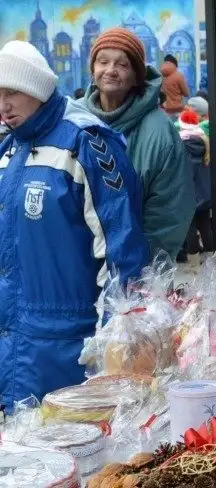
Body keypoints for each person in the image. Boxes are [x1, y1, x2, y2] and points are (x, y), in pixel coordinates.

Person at [0, 40, 149, 409]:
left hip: (70, 348)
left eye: (12, 93)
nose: (3, 105)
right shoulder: (9, 149)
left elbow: (122, 249)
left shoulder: (85, 142)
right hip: (15, 344)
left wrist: (114, 341)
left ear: (35, 89)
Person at [83, 28, 194, 260]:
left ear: (136, 76)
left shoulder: (160, 132)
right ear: (93, 70)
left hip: (136, 274)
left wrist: (142, 273)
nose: (110, 70)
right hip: (79, 272)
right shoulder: (74, 120)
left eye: (122, 65)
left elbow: (169, 213)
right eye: (103, 62)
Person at [178, 109, 213, 269]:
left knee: (189, 227)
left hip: (187, 193)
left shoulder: (180, 145)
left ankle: (193, 264)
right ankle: (211, 258)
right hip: (204, 192)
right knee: (205, 224)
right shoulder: (205, 143)